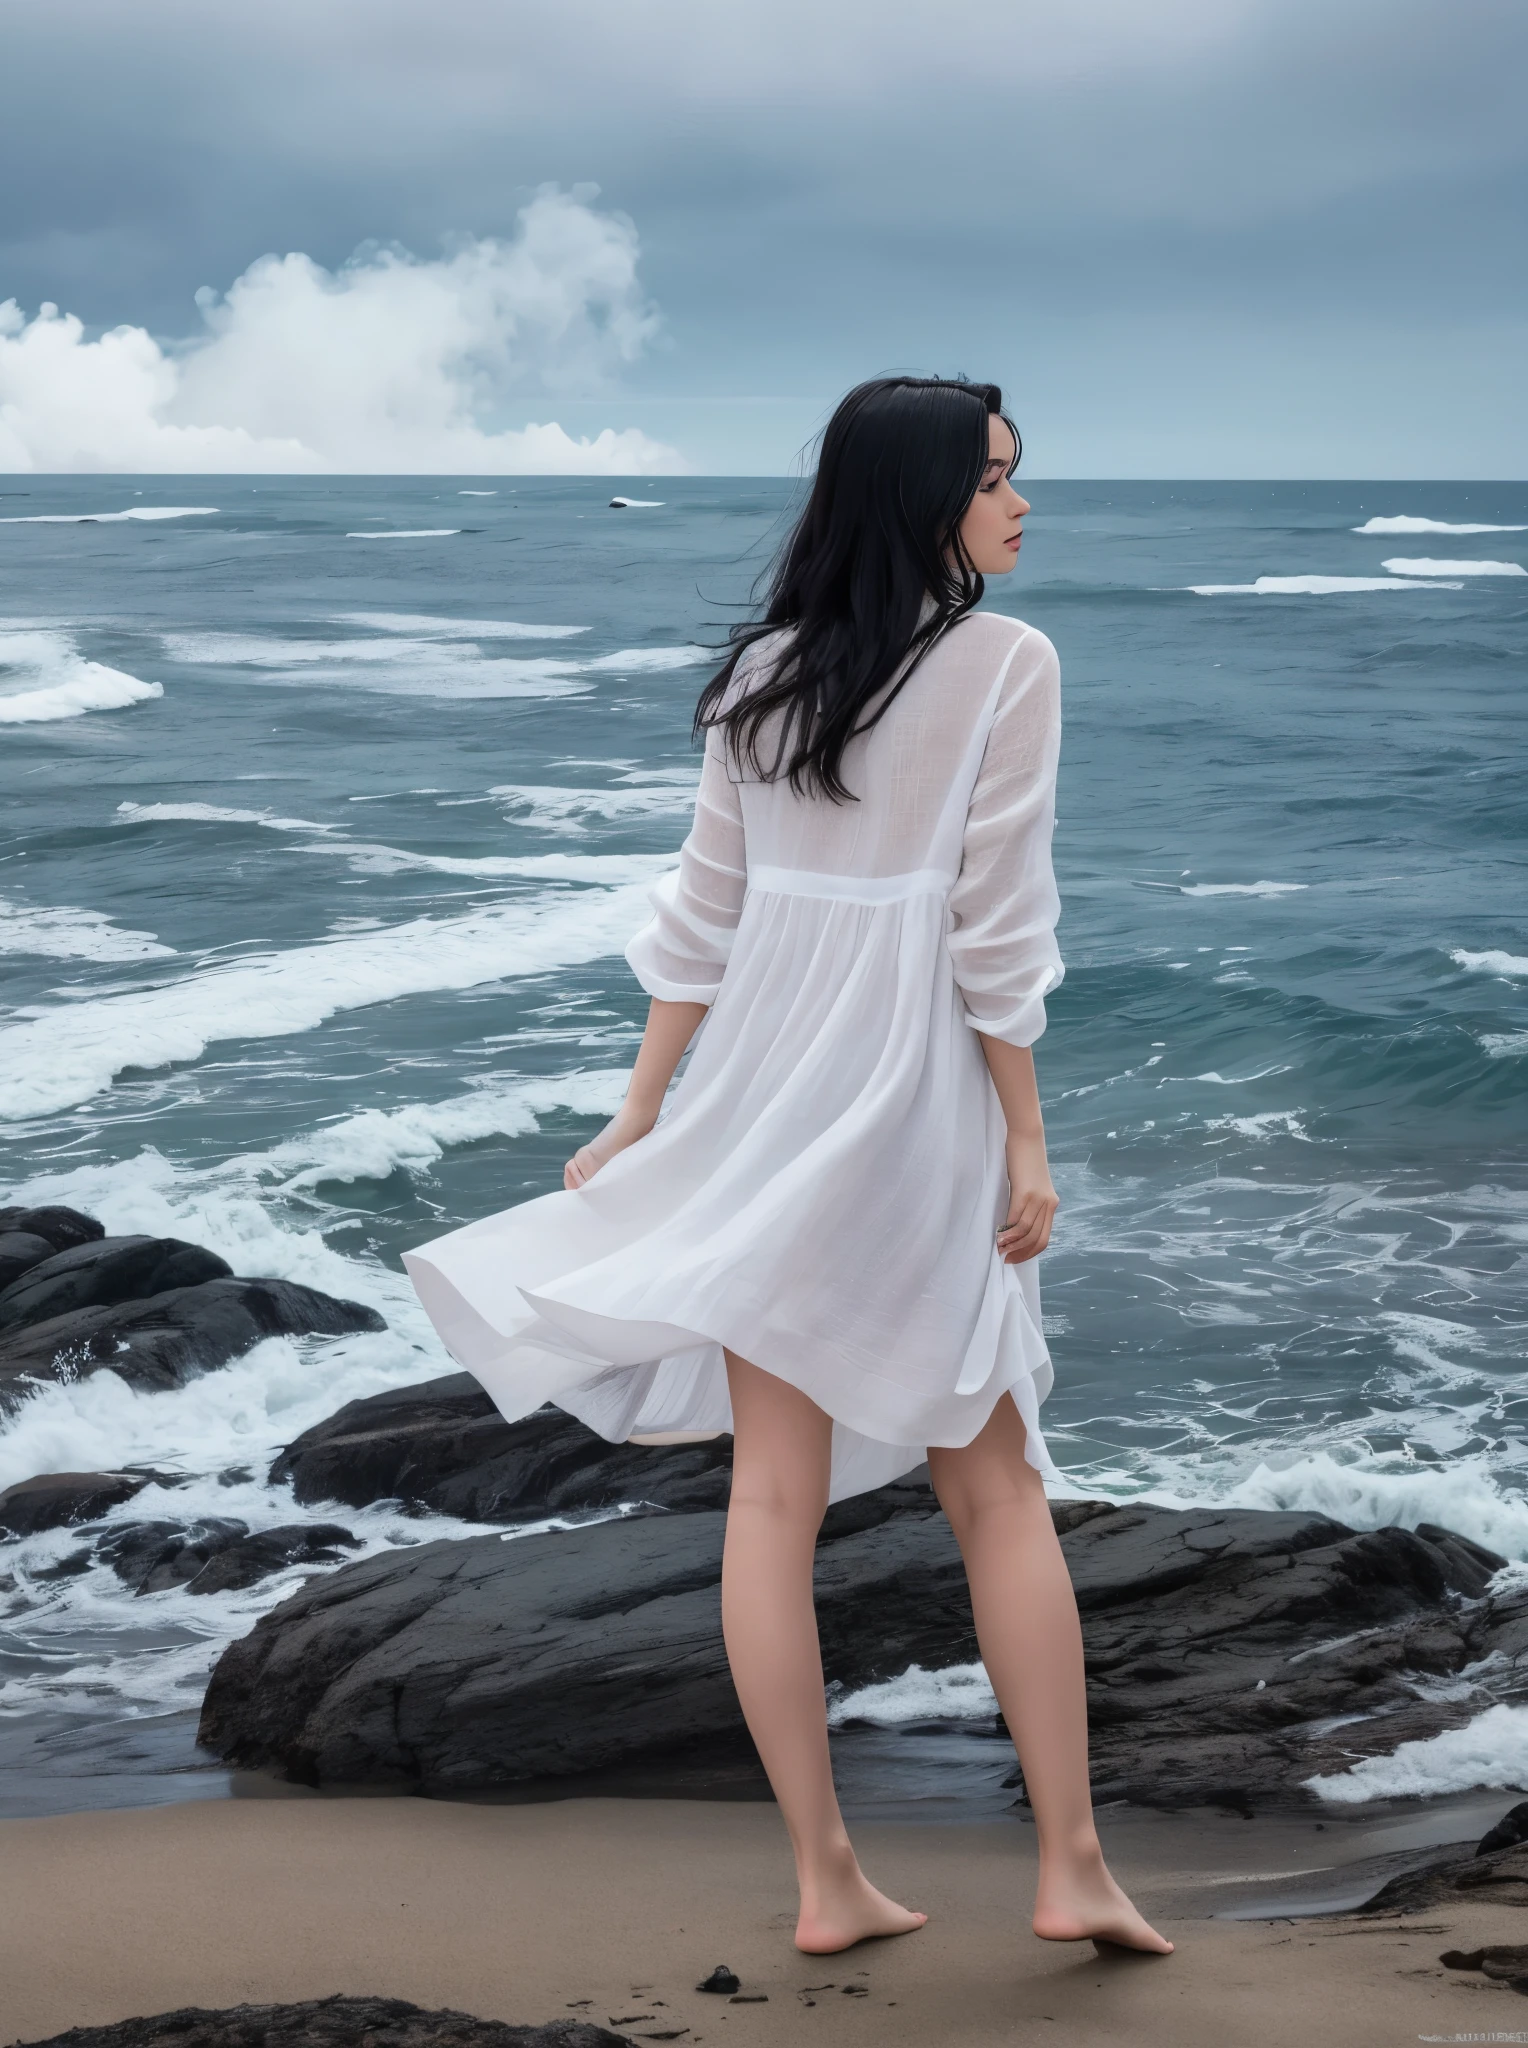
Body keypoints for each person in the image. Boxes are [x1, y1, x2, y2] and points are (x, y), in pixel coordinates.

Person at [402, 375, 1171, 1959]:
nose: (1022, 507)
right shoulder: (1005, 666)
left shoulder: (764, 674)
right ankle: (1071, 1865)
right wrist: (1026, 1137)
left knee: (770, 1498)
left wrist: (645, 1110)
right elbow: (994, 931)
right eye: (995, 481)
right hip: (912, 1109)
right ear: (921, 498)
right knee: (997, 1480)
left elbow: (706, 918)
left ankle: (827, 1882)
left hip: (761, 1098)